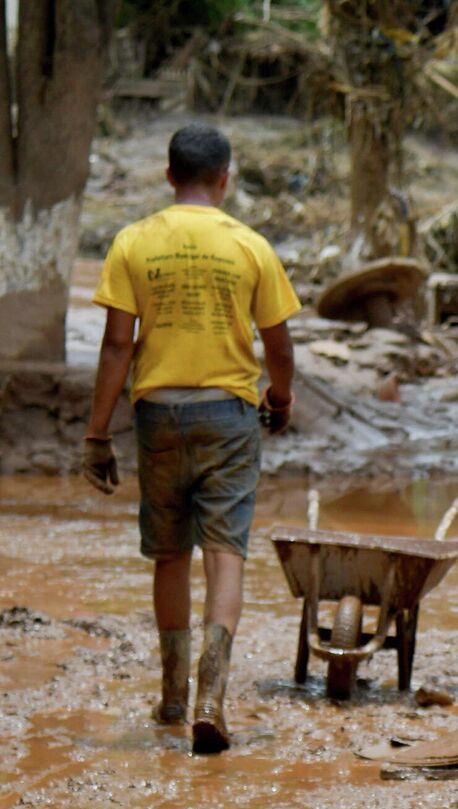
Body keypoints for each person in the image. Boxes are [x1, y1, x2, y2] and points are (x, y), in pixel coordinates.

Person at [81, 123, 300, 756]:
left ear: (169, 175)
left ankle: (173, 696)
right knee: (223, 553)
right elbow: (279, 344)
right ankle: (212, 697)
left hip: (158, 418)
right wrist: (279, 400)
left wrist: (98, 433)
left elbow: (118, 344)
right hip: (229, 414)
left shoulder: (134, 241)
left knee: (170, 553)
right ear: (225, 177)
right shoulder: (249, 245)